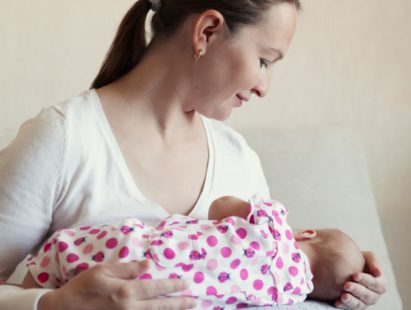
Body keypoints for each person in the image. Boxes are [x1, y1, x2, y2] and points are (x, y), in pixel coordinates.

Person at [0, 0, 386, 309]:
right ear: (207, 31)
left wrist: (344, 285)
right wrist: (52, 304)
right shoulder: (63, 139)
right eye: (264, 60)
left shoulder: (240, 161)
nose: (264, 87)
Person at [22, 196, 365, 309]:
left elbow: (220, 207)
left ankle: (36, 279)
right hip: (168, 296)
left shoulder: (273, 224)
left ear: (307, 234)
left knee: (62, 251)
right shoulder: (287, 296)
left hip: (137, 249)